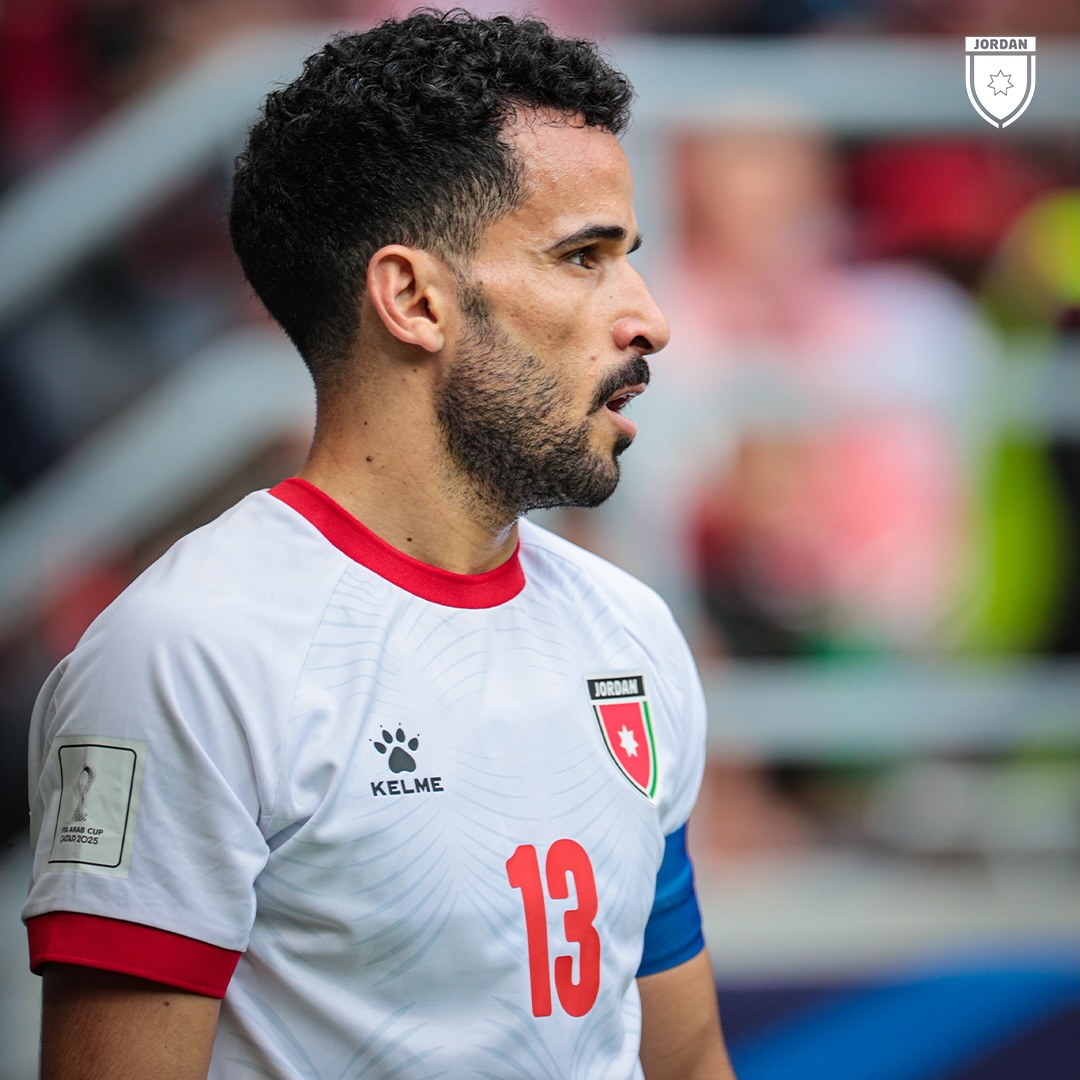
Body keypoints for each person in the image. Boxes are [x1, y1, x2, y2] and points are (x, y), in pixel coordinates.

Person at [23, 10, 736, 1079]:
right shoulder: (185, 654)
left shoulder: (629, 630)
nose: (648, 320)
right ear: (412, 298)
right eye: (583, 257)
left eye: (628, 258)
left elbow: (683, 1063)